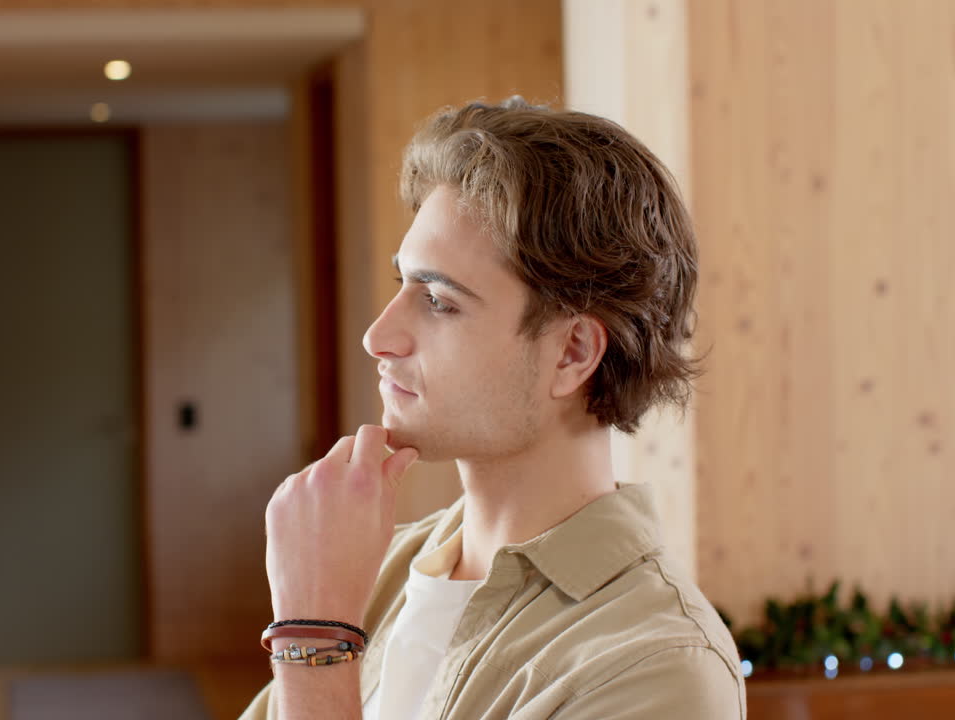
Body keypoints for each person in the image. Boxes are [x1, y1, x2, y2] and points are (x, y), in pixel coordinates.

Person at [239, 97, 745, 720]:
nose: (377, 336)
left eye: (439, 301)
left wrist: (314, 639)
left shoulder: (659, 665)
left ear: (573, 352)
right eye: (402, 285)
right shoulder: (370, 568)